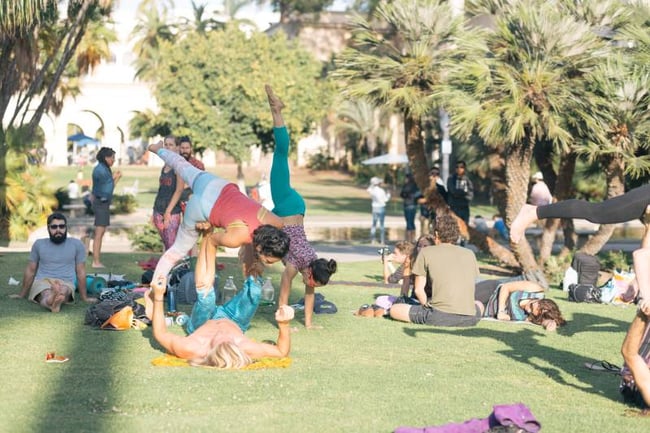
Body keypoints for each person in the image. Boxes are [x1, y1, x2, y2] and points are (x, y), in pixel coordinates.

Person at [146, 138, 289, 283]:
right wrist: (208, 227)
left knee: (182, 165)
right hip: (201, 207)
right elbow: (211, 241)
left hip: (214, 184)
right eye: (268, 261)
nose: (268, 264)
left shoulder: (276, 222)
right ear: (260, 248)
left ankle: (158, 149)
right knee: (178, 250)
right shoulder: (236, 238)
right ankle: (154, 287)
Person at [148, 231, 295, 368]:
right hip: (234, 320)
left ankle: (207, 239)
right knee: (255, 292)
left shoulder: (193, 348)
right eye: (231, 342)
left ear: (211, 350)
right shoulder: (243, 345)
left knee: (207, 298)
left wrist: (159, 296)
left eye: (222, 342)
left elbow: (161, 334)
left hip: (202, 322)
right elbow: (282, 352)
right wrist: (284, 324)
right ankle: (251, 244)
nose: (225, 337)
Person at [265, 85, 338, 329]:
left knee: (254, 225)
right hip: (287, 206)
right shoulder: (298, 264)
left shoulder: (314, 266)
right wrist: (283, 320)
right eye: (313, 283)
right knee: (280, 153)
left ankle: (277, 111)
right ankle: (277, 111)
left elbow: (309, 296)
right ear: (310, 274)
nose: (311, 288)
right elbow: (284, 291)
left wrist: (308, 324)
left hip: (290, 212)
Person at [389, 212, 481, 327]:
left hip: (439, 316)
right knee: (479, 304)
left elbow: (418, 290)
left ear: (436, 234)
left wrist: (426, 308)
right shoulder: (469, 254)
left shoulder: (426, 252)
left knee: (395, 309)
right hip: (471, 317)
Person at [10, 213, 96, 312]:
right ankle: (53, 300)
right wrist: (22, 294)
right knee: (45, 292)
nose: (58, 230)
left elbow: (80, 272)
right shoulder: (39, 244)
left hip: (66, 282)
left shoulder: (77, 244)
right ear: (48, 228)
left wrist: (84, 297)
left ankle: (52, 300)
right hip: (43, 281)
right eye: (54, 227)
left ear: (66, 227)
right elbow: (31, 270)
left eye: (62, 226)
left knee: (64, 290)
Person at [474, 279, 566, 331]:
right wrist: (501, 311)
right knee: (464, 297)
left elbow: (546, 322)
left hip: (487, 310)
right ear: (539, 301)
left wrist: (551, 323)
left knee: (469, 311)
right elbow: (506, 287)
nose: (528, 311)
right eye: (531, 306)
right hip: (493, 291)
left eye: (531, 313)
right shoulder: (535, 290)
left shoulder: (538, 316)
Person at [152, 135, 184, 251]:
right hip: (158, 209)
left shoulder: (179, 165)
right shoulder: (165, 165)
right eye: (166, 145)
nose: (168, 147)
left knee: (171, 244)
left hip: (172, 211)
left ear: (177, 147)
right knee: (166, 243)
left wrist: (168, 212)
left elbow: (179, 190)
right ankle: (167, 268)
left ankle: (178, 267)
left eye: (171, 145)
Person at [90, 147, 121, 268]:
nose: (113, 160)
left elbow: (108, 186)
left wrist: (115, 178)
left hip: (102, 203)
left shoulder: (103, 169)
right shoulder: (102, 170)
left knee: (101, 232)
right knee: (99, 232)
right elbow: (108, 188)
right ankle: (96, 261)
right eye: (112, 157)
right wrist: (116, 177)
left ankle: (96, 260)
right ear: (106, 158)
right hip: (101, 204)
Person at [417, 167, 448, 235]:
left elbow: (445, 201)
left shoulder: (441, 188)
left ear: (438, 176)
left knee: (437, 234)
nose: (434, 176)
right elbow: (418, 199)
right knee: (425, 235)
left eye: (436, 174)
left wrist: (429, 200)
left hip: (437, 215)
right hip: (425, 214)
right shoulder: (424, 187)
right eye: (432, 174)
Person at [178, 135, 204, 207]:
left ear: (191, 149)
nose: (184, 150)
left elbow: (199, 185)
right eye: (182, 148)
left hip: (191, 202)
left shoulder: (198, 165)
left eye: (187, 148)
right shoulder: (174, 163)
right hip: (174, 202)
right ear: (179, 148)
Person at [367, 176, 391, 245]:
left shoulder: (372, 190)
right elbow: (386, 200)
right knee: (382, 225)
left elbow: (368, 190)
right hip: (381, 208)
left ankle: (372, 240)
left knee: (374, 224)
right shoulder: (381, 191)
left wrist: (372, 184)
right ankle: (382, 241)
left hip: (374, 208)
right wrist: (389, 194)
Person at [400, 173, 419, 242]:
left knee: (408, 222)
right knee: (411, 222)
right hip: (412, 205)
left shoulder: (407, 186)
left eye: (406, 178)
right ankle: (412, 239)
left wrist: (406, 195)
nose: (405, 180)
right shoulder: (415, 186)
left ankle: (409, 239)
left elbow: (402, 194)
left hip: (408, 205)